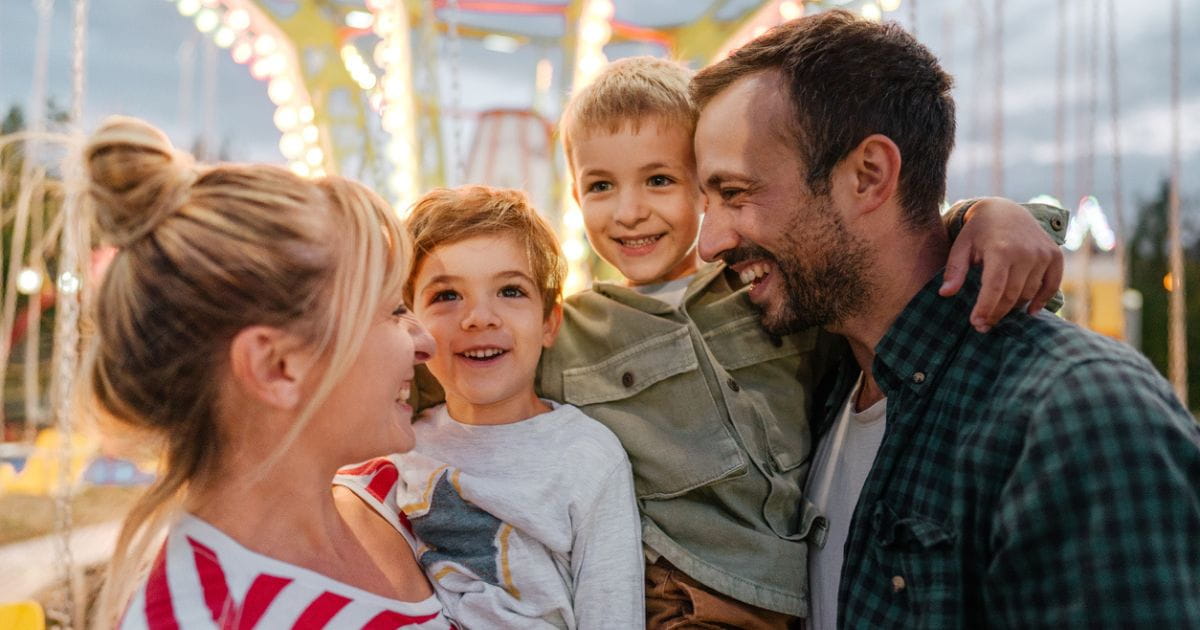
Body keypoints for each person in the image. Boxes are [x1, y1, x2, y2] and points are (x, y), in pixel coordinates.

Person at [692, 10, 1200, 629]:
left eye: (736, 193)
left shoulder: (1076, 412)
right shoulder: (818, 382)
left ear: (869, 175)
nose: (710, 241)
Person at [524, 56, 1065, 628]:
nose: (630, 212)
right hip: (680, 597)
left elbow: (889, 268)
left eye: (659, 180)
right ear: (576, 197)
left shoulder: (771, 288)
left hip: (797, 590)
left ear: (707, 185)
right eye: (601, 186)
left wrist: (985, 215)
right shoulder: (570, 331)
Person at [84, 116, 452, 629]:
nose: (426, 342)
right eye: (392, 312)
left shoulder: (406, 496)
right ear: (277, 367)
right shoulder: (199, 618)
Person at [337, 186, 643, 629]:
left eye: (510, 291)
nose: (479, 317)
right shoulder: (399, 445)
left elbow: (613, 612)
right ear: (411, 324)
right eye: (446, 296)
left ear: (549, 322)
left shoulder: (588, 456)